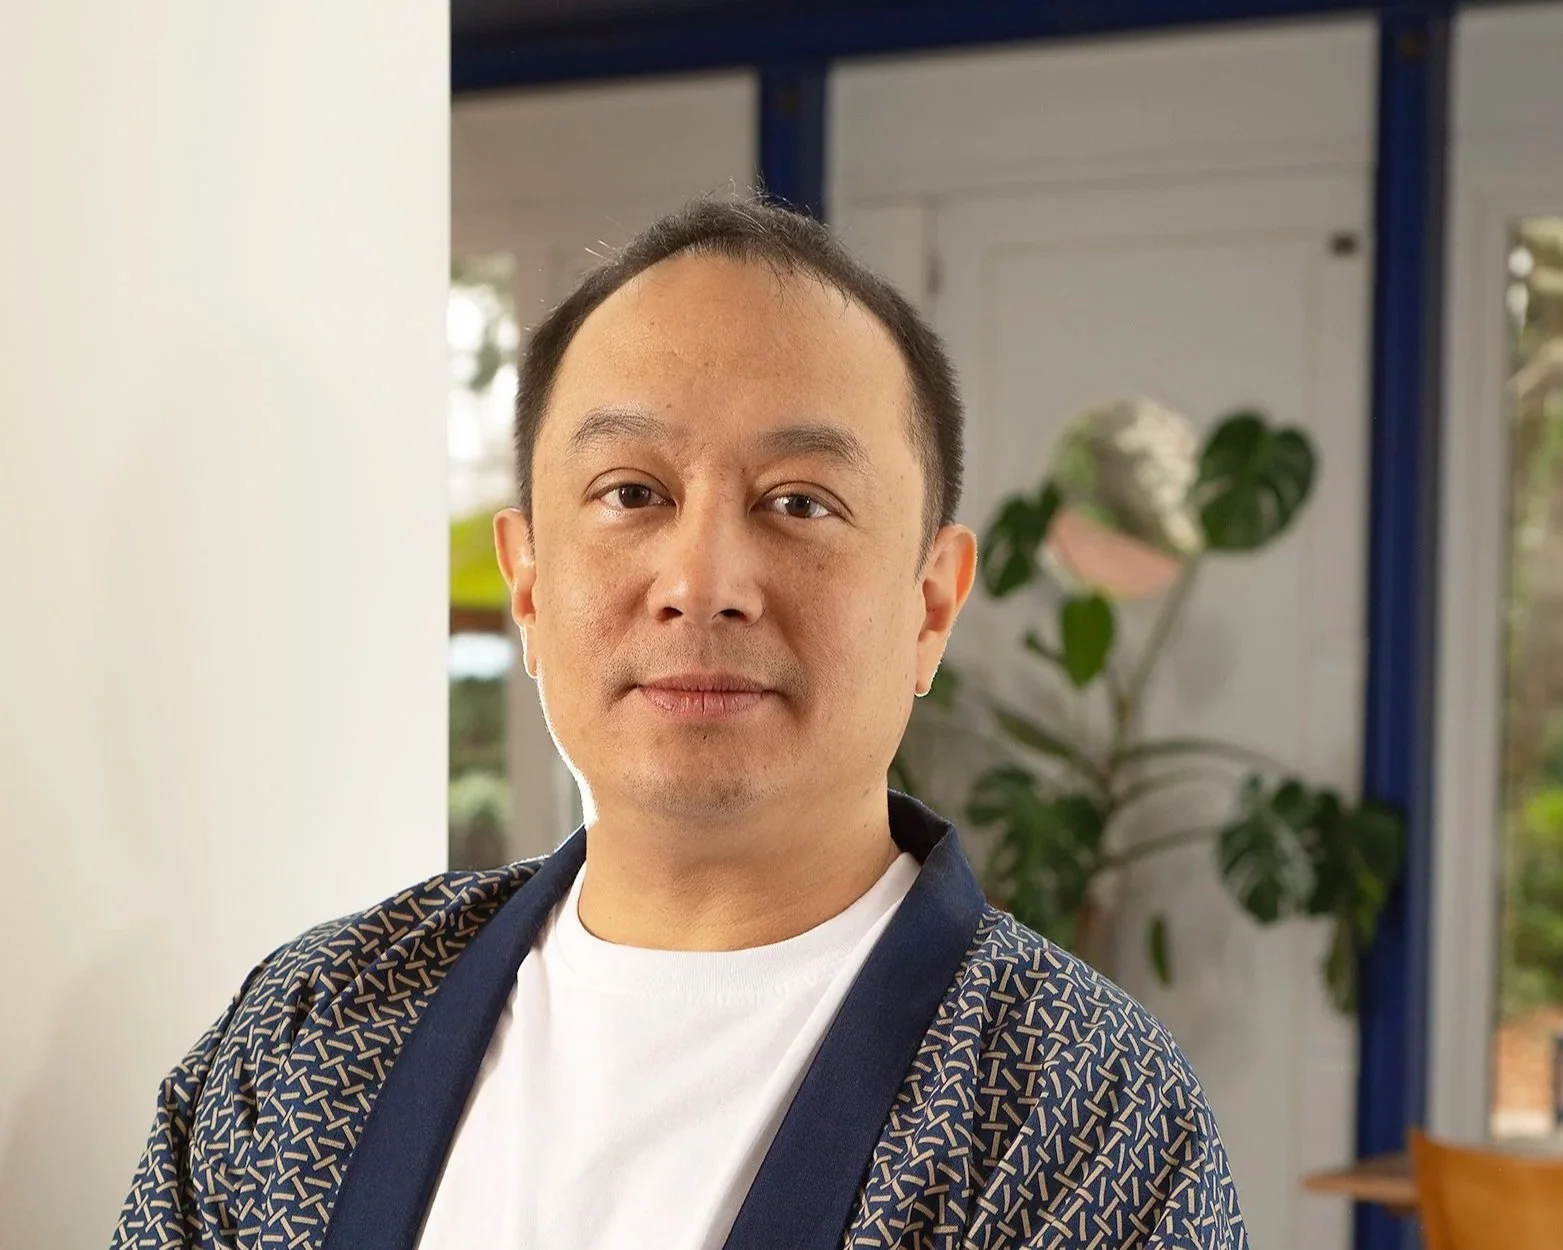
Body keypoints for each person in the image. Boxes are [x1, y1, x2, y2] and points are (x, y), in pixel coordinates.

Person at [113, 195, 1246, 1250]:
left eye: (800, 502)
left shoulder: (1084, 1111)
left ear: (930, 603)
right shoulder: (312, 1025)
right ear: (528, 582)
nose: (702, 580)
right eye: (631, 492)